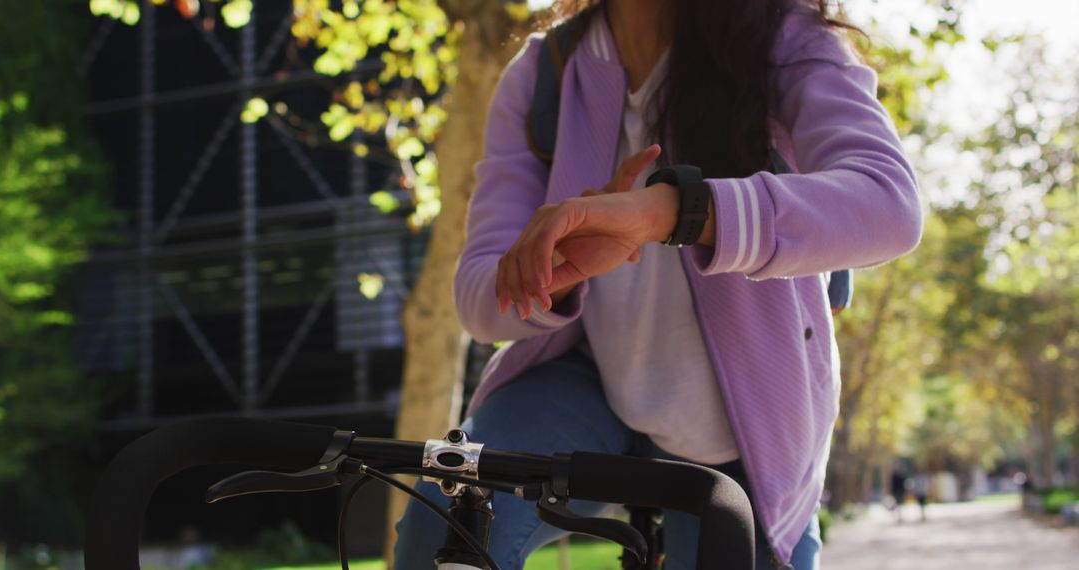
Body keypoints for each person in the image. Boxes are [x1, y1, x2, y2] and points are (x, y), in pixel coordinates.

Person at [395, 0, 922, 568]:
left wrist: (674, 212)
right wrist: (556, 269)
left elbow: (889, 204)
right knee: (447, 522)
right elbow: (478, 299)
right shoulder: (542, 71)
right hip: (585, 385)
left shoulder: (786, 36)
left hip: (752, 432)